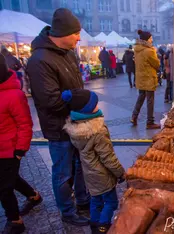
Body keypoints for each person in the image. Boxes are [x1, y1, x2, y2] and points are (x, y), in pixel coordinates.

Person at [26, 8, 91, 226]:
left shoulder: (69, 53)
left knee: (81, 166)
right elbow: (50, 101)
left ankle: (83, 201)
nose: (79, 37)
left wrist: (79, 100)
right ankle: (67, 211)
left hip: (77, 123)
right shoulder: (39, 60)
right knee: (63, 172)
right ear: (63, 33)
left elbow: (75, 86)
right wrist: (82, 98)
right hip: (59, 128)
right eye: (76, 33)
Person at [61, 89, 125, 234]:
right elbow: (108, 157)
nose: (98, 105)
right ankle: (103, 227)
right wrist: (120, 173)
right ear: (87, 111)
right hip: (103, 175)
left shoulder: (75, 128)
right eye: (95, 104)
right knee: (111, 202)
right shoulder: (98, 131)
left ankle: (94, 225)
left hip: (89, 174)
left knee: (96, 201)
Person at [0, 54, 42, 234]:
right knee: (11, 180)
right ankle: (34, 196)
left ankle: (15, 221)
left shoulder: (14, 95)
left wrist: (20, 150)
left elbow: (25, 124)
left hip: (9, 149)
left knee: (3, 188)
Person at [131, 29, 161, 129]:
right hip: (148, 78)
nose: (152, 40)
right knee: (150, 100)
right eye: (151, 38)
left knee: (141, 97)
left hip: (140, 78)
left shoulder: (137, 50)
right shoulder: (149, 51)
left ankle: (134, 116)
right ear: (147, 40)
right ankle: (150, 122)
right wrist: (156, 54)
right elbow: (156, 64)